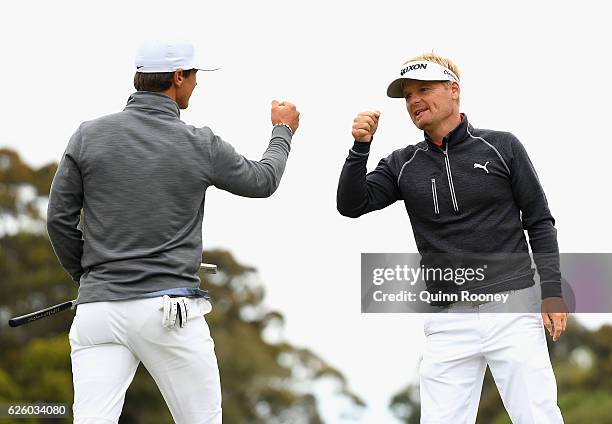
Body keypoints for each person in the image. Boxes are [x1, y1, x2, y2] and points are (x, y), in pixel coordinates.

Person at [46, 39, 300, 424]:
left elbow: (58, 220)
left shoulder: (87, 135)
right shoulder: (199, 143)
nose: (197, 84)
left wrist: (88, 278)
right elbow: (263, 180)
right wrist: (282, 131)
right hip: (167, 312)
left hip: (97, 311)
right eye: (195, 75)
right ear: (178, 77)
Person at [337, 52, 567, 423]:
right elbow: (351, 204)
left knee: (537, 416)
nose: (413, 101)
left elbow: (539, 221)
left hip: (512, 308)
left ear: (453, 90)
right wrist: (360, 147)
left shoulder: (502, 147)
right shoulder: (402, 163)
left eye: (423, 90)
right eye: (408, 95)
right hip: (447, 319)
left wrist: (552, 292)